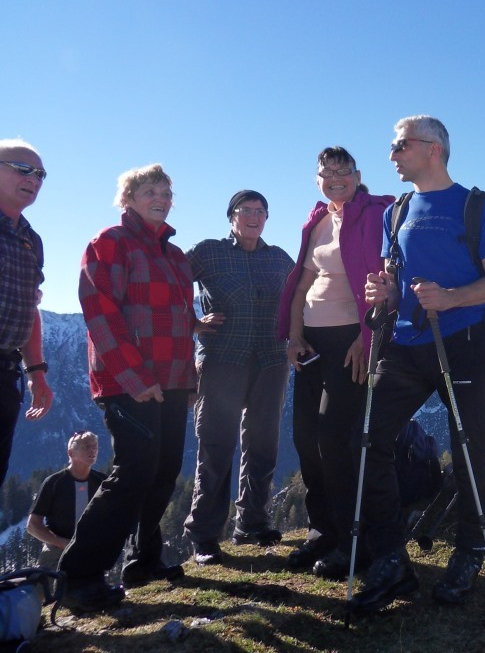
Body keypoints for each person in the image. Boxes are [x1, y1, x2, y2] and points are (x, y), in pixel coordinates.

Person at [349, 115, 485, 611]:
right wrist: (387, 291)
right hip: (404, 342)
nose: (393, 154)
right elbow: (393, 278)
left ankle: (470, 551)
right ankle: (391, 557)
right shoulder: (395, 211)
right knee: (370, 439)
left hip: (461, 342)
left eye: (401, 145)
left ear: (434, 149)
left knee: (469, 448)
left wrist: (451, 297)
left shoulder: (475, 207)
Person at [59, 164, 214, 614]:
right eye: (150, 191)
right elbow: (101, 314)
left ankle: (144, 561)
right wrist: (135, 378)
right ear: (127, 198)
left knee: (163, 470)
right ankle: (80, 576)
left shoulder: (174, 254)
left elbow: (181, 320)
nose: (161, 198)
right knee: (134, 472)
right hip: (128, 381)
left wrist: (189, 377)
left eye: (166, 192)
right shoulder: (109, 243)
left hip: (171, 381)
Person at [277, 148, 394, 577]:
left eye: (343, 172)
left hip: (350, 338)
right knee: (306, 438)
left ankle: (351, 541)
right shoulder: (320, 220)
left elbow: (383, 278)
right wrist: (293, 336)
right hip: (311, 340)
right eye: (327, 173)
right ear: (317, 179)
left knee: (334, 438)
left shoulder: (373, 215)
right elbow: (302, 282)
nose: (335, 178)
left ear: (357, 175)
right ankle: (321, 530)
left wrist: (367, 338)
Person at [184, 190, 294, 566]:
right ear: (231, 216)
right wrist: (193, 324)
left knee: (263, 444)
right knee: (216, 445)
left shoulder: (279, 259)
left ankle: (251, 522)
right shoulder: (208, 252)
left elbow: (302, 297)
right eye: (245, 210)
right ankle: (204, 535)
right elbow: (168, 284)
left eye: (260, 211)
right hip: (222, 361)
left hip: (271, 361)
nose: (253, 216)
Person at [0, 140, 53, 488]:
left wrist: (36, 372)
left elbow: (29, 308)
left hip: (6, 373)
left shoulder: (31, 239)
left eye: (40, 174)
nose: (33, 179)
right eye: (22, 169)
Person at [27, 431, 105, 570]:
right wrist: (62, 543)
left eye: (95, 446)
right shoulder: (54, 482)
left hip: (91, 551)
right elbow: (32, 525)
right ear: (71, 453)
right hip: (56, 552)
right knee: (48, 589)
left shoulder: (103, 482)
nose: (92, 450)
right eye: (86, 446)